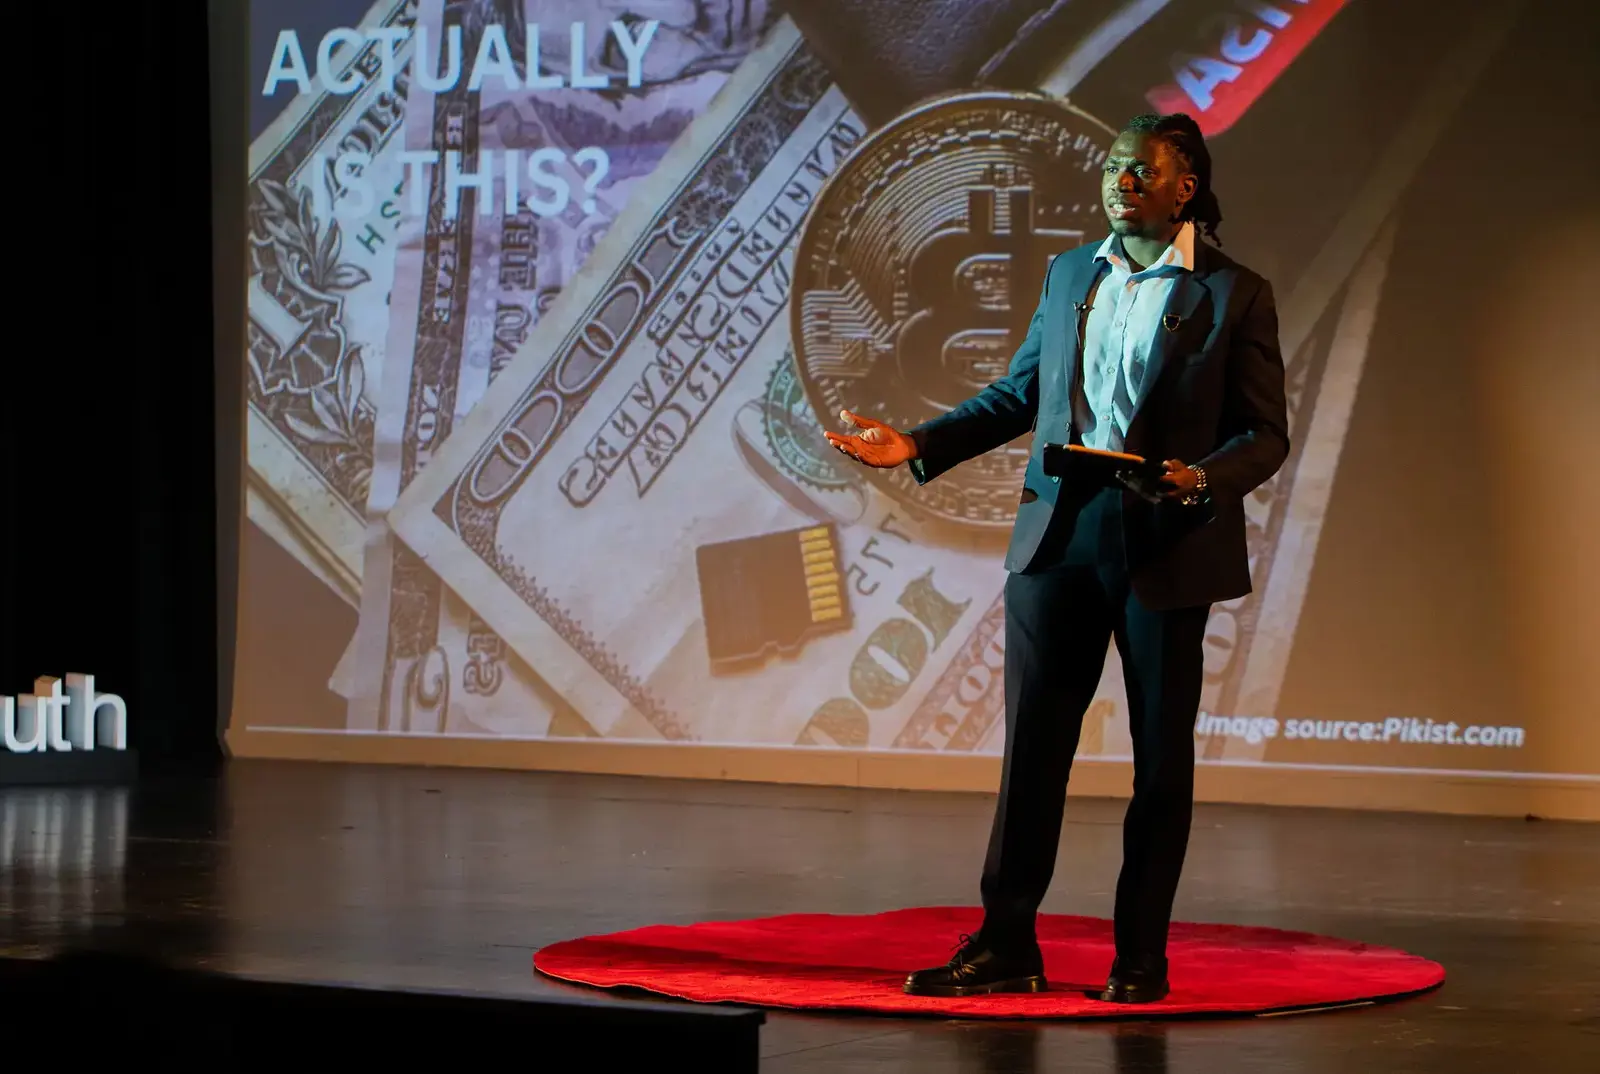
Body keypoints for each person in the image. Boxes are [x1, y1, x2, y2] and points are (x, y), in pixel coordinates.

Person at [824, 112, 1289, 1003]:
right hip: (1059, 537)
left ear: (1184, 186)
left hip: (1164, 542)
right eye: (1114, 168)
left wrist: (1203, 479)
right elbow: (1019, 394)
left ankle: (1140, 959)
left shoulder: (1235, 294)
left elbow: (1266, 434)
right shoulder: (1073, 272)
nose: (1121, 182)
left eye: (1141, 171)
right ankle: (1007, 945)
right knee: (1032, 751)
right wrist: (917, 444)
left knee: (1160, 760)